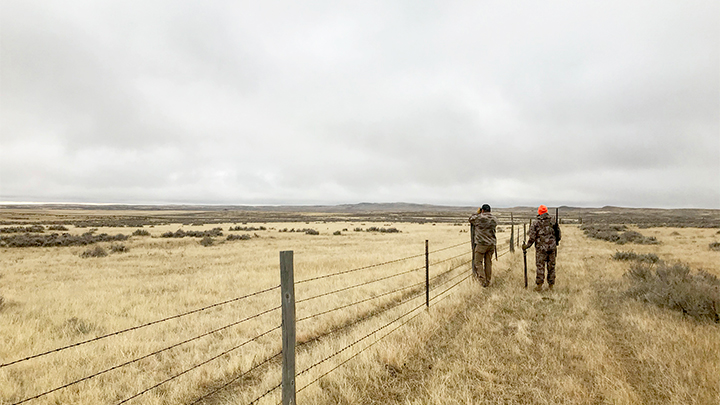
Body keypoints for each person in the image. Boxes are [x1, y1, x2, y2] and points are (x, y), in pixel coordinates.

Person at [523, 205, 557, 291]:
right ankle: (551, 286)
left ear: (539, 212)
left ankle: (539, 286)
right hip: (552, 248)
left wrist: (527, 246)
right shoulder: (553, 221)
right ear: (546, 211)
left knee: (540, 266)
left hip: (541, 249)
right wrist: (555, 243)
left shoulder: (536, 223)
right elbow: (558, 233)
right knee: (551, 266)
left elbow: (532, 237)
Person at [469, 204, 497, 287]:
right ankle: (488, 280)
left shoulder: (479, 218)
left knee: (478, 262)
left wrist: (478, 213)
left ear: (482, 210)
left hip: (481, 243)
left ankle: (482, 281)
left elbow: (470, 219)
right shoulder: (494, 219)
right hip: (491, 244)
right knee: (488, 262)